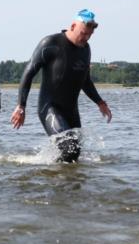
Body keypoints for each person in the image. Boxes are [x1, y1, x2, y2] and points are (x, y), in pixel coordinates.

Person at [10, 9, 112, 162]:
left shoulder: (85, 49)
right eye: (83, 33)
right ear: (72, 26)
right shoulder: (50, 43)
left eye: (89, 35)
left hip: (71, 110)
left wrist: (100, 102)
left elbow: (85, 80)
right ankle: (57, 181)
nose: (86, 38)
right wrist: (21, 106)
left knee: (75, 153)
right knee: (69, 147)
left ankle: (58, 178)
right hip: (50, 107)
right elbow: (29, 72)